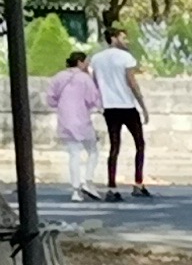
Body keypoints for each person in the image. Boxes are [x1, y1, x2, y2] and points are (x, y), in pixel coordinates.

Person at [91, 22, 149, 198]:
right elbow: (132, 82)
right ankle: (138, 183)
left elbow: (95, 83)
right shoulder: (126, 57)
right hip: (127, 106)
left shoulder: (97, 59)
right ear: (114, 38)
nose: (126, 41)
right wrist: (142, 105)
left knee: (114, 146)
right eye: (123, 38)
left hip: (109, 107)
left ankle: (111, 187)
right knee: (139, 144)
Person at [48, 47, 103, 200]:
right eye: (86, 62)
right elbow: (93, 99)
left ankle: (75, 190)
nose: (87, 65)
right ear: (80, 62)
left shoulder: (58, 77)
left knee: (73, 154)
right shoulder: (85, 79)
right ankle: (88, 180)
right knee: (93, 150)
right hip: (81, 119)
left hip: (65, 120)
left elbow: (51, 99)